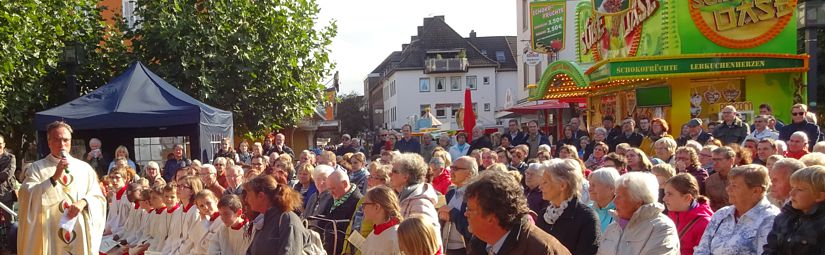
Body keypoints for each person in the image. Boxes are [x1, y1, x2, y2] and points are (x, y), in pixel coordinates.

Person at [18, 121, 106, 254]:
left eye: (66, 140)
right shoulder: (37, 168)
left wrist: (84, 202)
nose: (62, 145)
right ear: (49, 143)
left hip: (77, 229)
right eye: (57, 140)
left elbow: (98, 197)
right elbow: (26, 195)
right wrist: (54, 178)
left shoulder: (84, 168)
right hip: (49, 230)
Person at [464, 170, 571, 255]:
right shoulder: (480, 242)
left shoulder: (540, 250)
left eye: (469, 209)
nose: (465, 214)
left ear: (491, 217)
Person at [694, 164, 779, 255]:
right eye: (729, 184)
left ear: (756, 191)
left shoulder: (770, 219)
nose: (728, 189)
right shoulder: (722, 214)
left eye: (734, 186)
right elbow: (702, 249)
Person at [596, 172, 679, 255]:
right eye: (615, 195)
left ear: (638, 202)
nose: (614, 201)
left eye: (619, 196)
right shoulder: (614, 226)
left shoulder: (662, 227)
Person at [536, 159, 600, 255]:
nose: (540, 187)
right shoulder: (544, 215)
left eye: (545, 182)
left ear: (562, 185)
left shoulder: (586, 218)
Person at [763, 165, 825, 254]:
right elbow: (770, 249)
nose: (791, 193)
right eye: (792, 188)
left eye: (799, 189)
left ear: (819, 196)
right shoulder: (784, 217)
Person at [244, 175, 306, 255]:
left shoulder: (288, 220)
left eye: (248, 194)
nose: (246, 199)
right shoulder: (264, 219)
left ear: (261, 196)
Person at [661, 174, 712, 255]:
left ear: (687, 198)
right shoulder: (672, 214)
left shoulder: (704, 224)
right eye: (665, 194)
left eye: (669, 194)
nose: (664, 199)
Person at [439, 156, 478, 254]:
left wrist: (452, 213)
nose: (451, 172)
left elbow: (471, 229)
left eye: (455, 169)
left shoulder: (475, 196)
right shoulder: (450, 193)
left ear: (470, 173)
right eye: (451, 168)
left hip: (464, 249)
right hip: (446, 246)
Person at [391, 154, 440, 230]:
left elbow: (425, 237)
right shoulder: (402, 196)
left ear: (405, 176)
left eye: (394, 171)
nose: (390, 174)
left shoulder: (421, 203)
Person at [320, 169, 363, 255]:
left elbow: (355, 231)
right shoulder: (332, 198)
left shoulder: (358, 202)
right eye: (329, 189)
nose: (331, 192)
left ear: (344, 184)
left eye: (333, 188)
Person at [360, 185, 403, 255]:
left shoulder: (397, 236)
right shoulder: (373, 234)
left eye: (365, 204)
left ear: (377, 207)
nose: (362, 208)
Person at [588, 167, 619, 234]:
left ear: (612, 188)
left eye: (593, 185)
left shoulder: (622, 213)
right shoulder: (588, 209)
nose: (589, 189)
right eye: (590, 185)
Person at [0, 134, 16, 214]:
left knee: (10, 223)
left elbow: (7, 173)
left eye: (0, 144)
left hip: (6, 194)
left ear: (3, 144)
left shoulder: (11, 158)